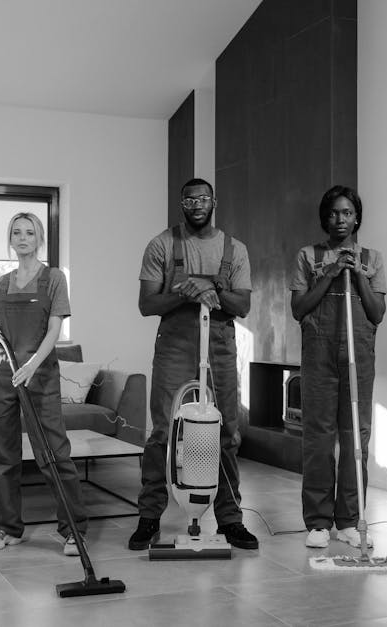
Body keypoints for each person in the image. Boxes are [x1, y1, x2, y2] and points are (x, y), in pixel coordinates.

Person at [129, 177, 259, 551]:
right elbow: (146, 305)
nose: (197, 204)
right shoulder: (162, 245)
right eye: (190, 199)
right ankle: (149, 517)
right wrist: (180, 293)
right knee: (162, 433)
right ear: (181, 203)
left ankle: (231, 519)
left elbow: (243, 305)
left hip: (219, 345)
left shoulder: (235, 249)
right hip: (174, 345)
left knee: (227, 432)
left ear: (214, 201)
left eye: (203, 198)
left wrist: (212, 291)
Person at [0, 212, 88, 556]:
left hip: (38, 374)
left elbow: (55, 329)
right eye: (16, 232)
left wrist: (31, 364)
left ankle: (73, 530)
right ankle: (7, 528)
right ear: (10, 239)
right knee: (1, 455)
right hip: (0, 375)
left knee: (53, 452)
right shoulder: (1, 283)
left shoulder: (53, 278)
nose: (22, 238)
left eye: (29, 232)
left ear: (39, 238)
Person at [289, 185, 387, 550]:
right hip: (319, 357)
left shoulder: (373, 258)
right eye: (333, 213)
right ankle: (317, 521)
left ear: (357, 217)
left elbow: (376, 313)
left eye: (347, 213)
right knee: (317, 437)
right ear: (324, 218)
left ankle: (349, 519)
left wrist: (357, 273)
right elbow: (299, 309)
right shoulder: (308, 256)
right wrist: (329, 273)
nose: (340, 219)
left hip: (358, 357)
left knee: (354, 437)